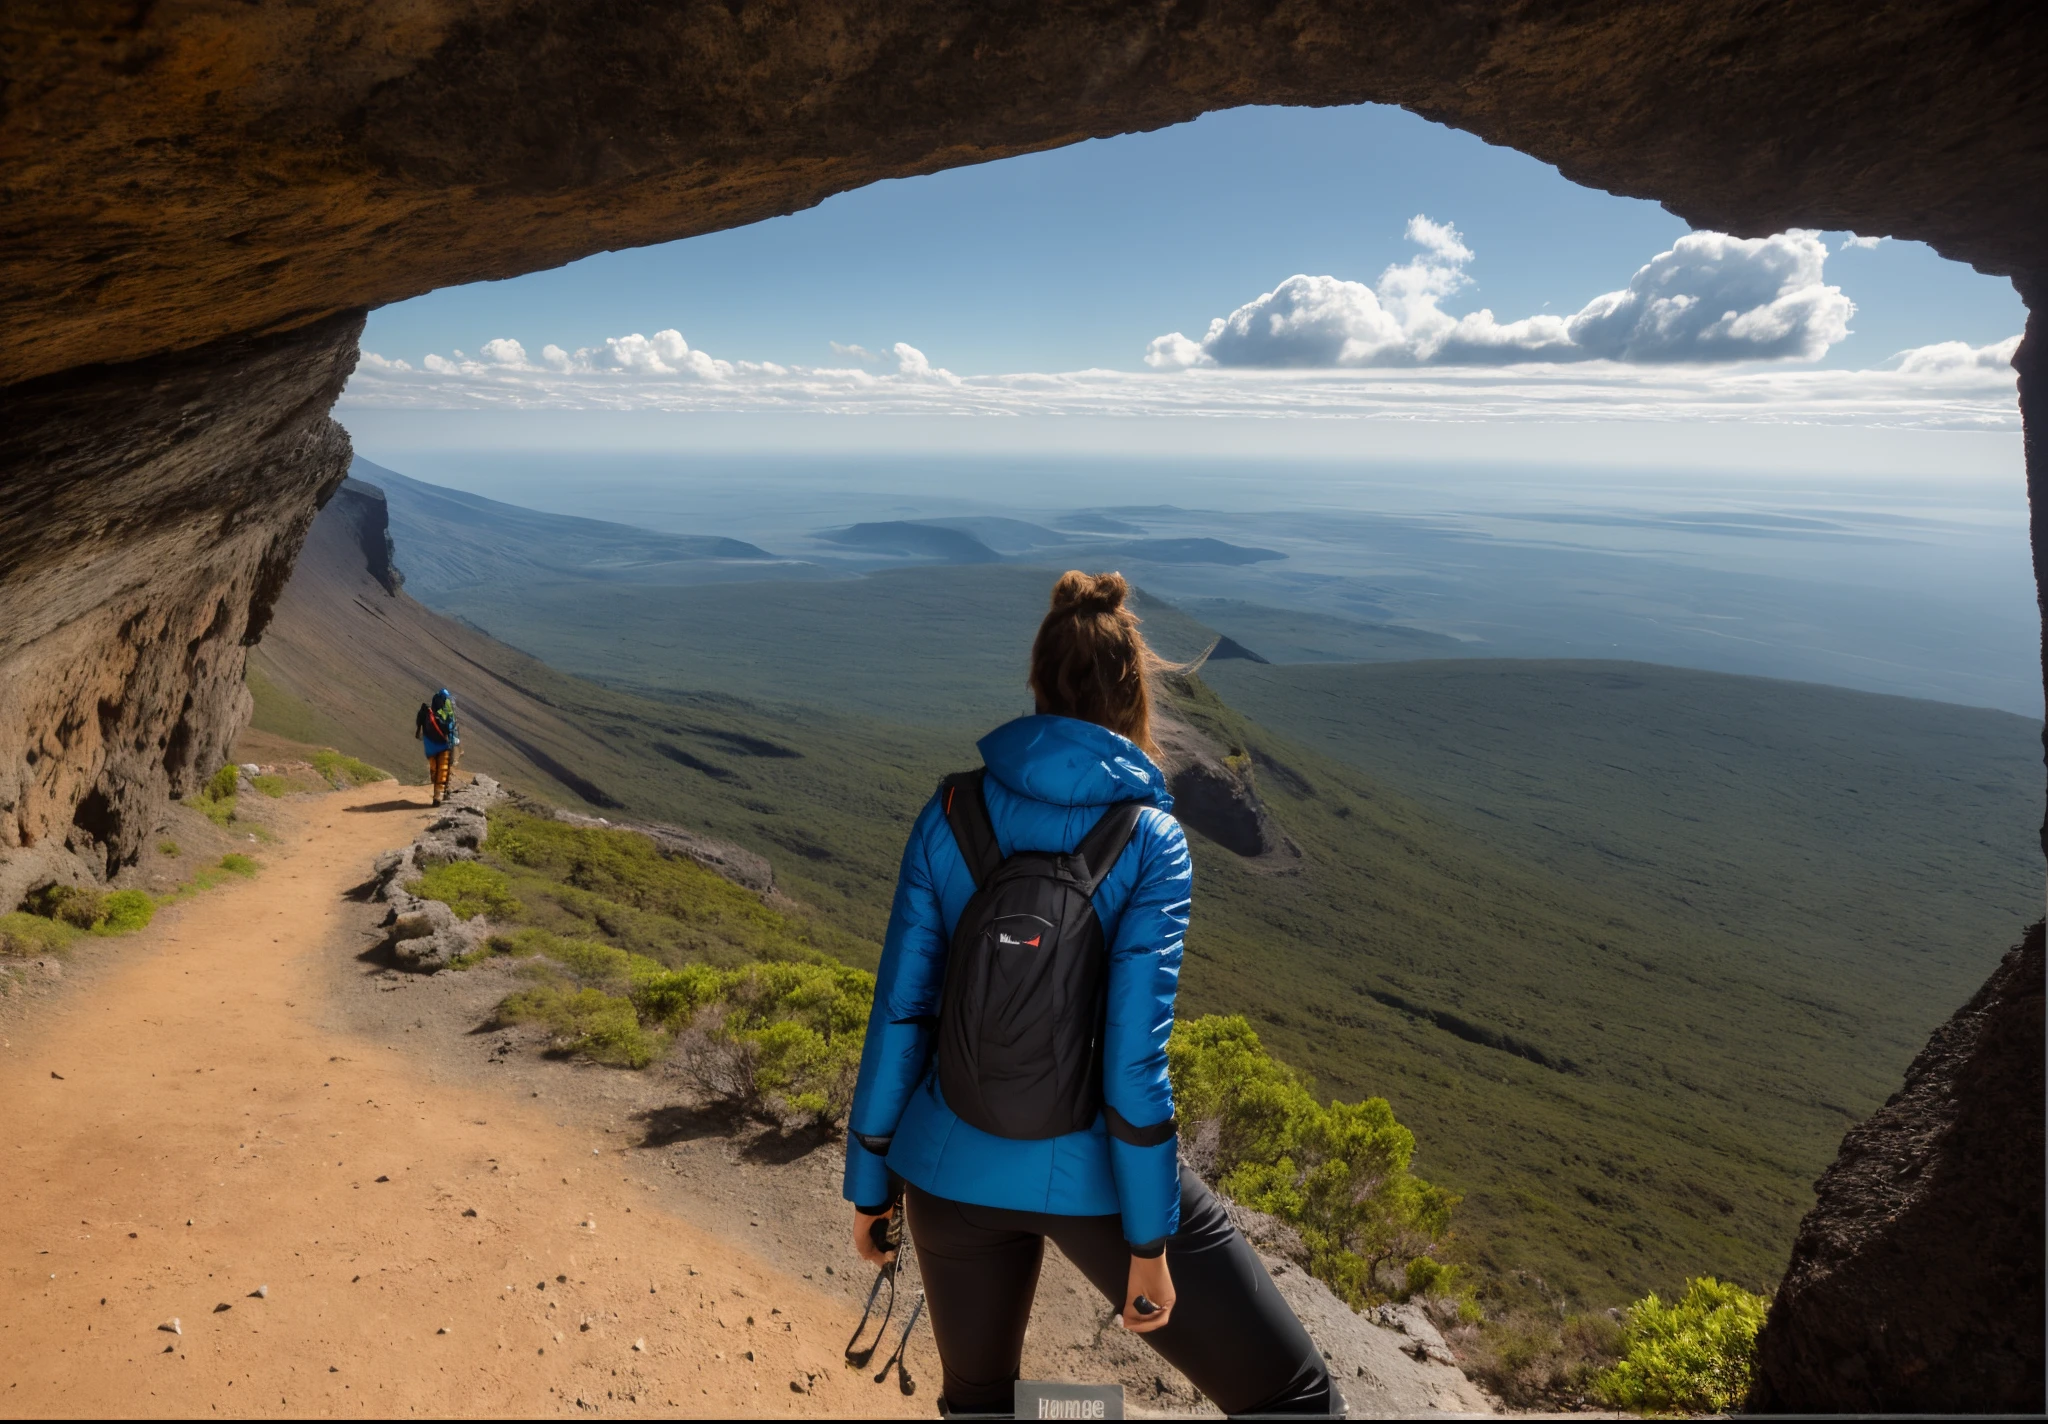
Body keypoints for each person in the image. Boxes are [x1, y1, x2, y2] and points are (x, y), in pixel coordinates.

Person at [843, 571, 1340, 1418]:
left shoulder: (951, 809)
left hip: (945, 1170)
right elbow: (1133, 1065)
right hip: (1099, 1186)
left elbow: (900, 1013)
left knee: (977, 1398)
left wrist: (869, 1184)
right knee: (1294, 1397)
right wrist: (1148, 1245)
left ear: (1036, 683)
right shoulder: (1151, 841)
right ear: (1133, 695)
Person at [414, 688, 459, 806]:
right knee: (442, 769)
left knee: (436, 768)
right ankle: (438, 794)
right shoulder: (447, 714)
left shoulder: (429, 714)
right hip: (444, 744)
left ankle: (438, 794)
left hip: (431, 745)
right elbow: (452, 729)